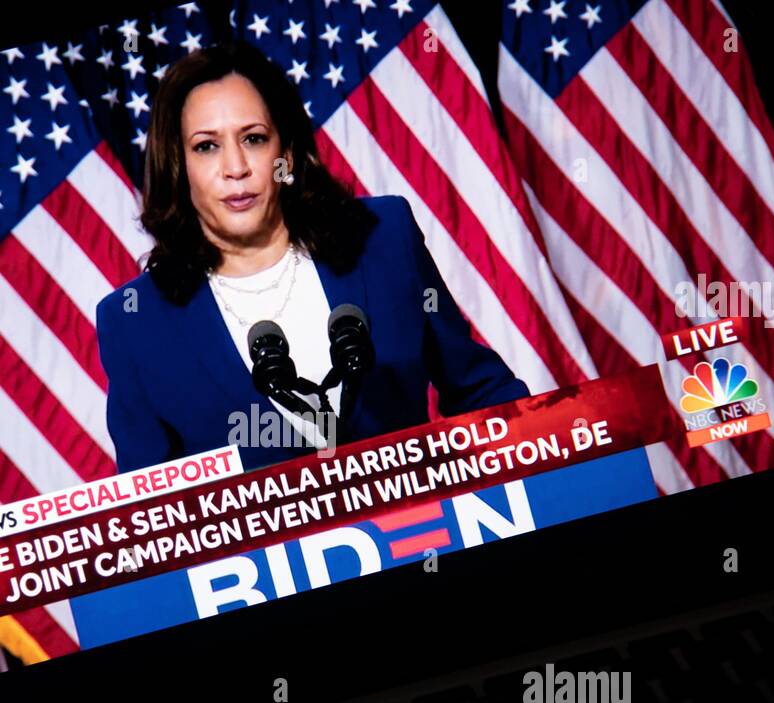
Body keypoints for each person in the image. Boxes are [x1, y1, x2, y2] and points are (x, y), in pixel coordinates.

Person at [96, 41, 530, 473]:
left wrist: (557, 452)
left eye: (254, 138)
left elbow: (480, 392)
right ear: (178, 165)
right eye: (206, 146)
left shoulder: (383, 239)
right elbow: (153, 513)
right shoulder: (134, 323)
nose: (235, 167)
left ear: (285, 151)